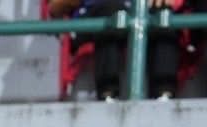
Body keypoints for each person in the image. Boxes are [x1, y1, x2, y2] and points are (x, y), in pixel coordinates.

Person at [50, 0, 180, 100]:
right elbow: (55, 7)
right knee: (111, 11)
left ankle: (164, 93)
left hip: (140, 13)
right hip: (94, 15)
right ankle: (108, 93)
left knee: (163, 15)